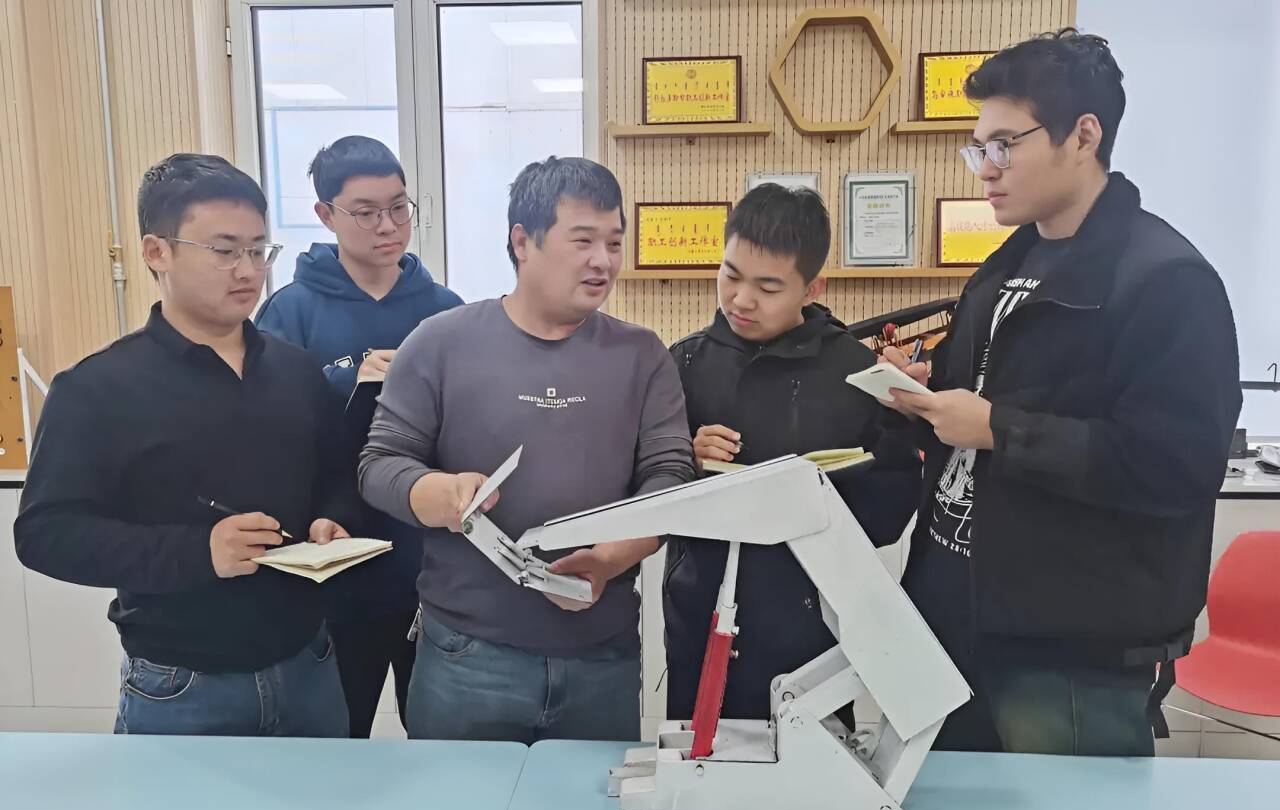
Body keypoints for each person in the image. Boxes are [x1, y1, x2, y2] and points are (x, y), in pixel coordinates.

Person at [879, 29, 1242, 756]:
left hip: (1067, 648)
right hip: (952, 619)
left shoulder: (1167, 281)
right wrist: (927, 396)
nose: (986, 169)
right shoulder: (1005, 266)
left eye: (1004, 145)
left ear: (1084, 135)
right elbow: (980, 402)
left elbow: (1174, 466)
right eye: (978, 148)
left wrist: (997, 429)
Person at [15, 154, 359, 737]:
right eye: (224, 251)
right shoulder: (97, 389)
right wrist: (201, 553)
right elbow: (45, 534)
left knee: (327, 802)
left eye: (259, 250)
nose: (248, 270)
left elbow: (336, 476)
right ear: (157, 252)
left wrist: (333, 519)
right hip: (182, 684)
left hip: (309, 664)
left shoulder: (297, 371)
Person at [358, 156, 697, 743]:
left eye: (614, 242)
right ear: (522, 242)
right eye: (583, 240)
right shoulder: (441, 343)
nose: (603, 260)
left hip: (602, 659)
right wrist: (436, 493)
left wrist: (611, 558)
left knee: (588, 805)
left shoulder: (643, 356)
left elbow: (670, 477)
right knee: (462, 802)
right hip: (467, 655)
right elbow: (379, 464)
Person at [662, 183, 922, 723]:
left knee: (817, 762)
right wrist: (684, 458)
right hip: (701, 617)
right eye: (731, 274)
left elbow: (890, 513)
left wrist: (900, 426)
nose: (741, 299)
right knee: (698, 761)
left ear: (811, 288)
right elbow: (647, 496)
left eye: (768, 286)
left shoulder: (855, 372)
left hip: (813, 626)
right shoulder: (683, 364)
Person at [256, 136, 462, 738]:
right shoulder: (290, 311)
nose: (388, 226)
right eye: (366, 212)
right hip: (332, 561)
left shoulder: (446, 310)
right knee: (338, 741)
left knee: (444, 743)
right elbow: (271, 428)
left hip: (430, 563)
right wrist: (350, 378)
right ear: (326, 215)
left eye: (399, 207)